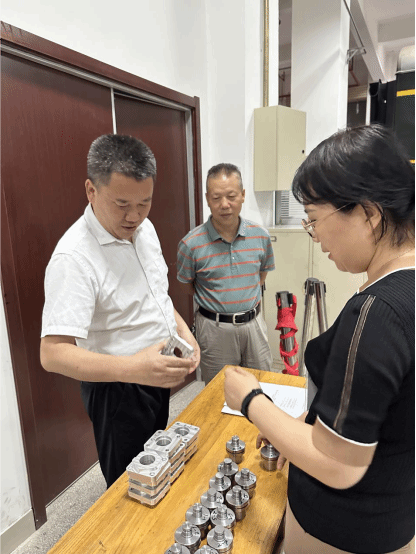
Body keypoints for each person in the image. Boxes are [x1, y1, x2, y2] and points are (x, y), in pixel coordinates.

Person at [224, 125, 415, 554]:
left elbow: (337, 462)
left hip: (342, 531)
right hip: (394, 517)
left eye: (314, 220)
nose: (316, 236)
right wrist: (298, 428)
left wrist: (252, 401)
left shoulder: (377, 313)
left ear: (368, 213)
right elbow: (378, 416)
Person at [40, 135, 200, 488]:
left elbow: (155, 294)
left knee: (158, 467)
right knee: (130, 487)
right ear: (91, 190)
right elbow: (52, 354)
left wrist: (183, 332)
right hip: (117, 388)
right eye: (122, 203)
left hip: (155, 372)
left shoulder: (145, 230)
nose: (135, 216)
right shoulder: (73, 258)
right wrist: (134, 368)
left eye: (145, 202)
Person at [177, 163, 275, 384]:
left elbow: (261, 276)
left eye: (231, 196)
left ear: (242, 195)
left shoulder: (260, 236)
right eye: (216, 198)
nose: (224, 204)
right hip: (214, 329)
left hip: (254, 325)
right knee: (219, 391)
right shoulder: (191, 244)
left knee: (262, 385)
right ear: (207, 198)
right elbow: (187, 285)